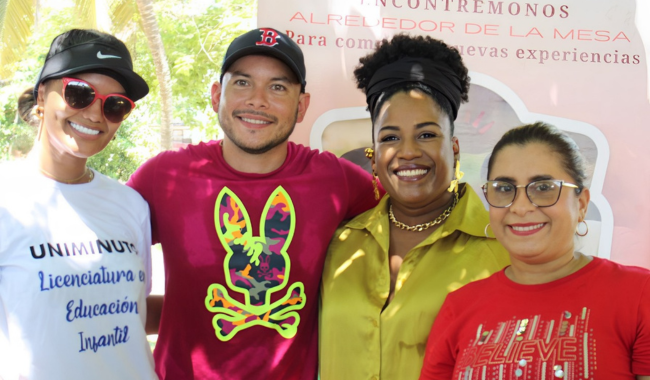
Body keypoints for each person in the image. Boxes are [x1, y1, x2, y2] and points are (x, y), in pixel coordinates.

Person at [126, 27, 378, 379]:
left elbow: (412, 228)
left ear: (302, 105)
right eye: (243, 83)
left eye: (278, 87)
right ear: (217, 96)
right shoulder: (163, 176)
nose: (258, 100)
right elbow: (105, 271)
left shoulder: (340, 182)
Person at [319, 34, 510, 380]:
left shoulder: (501, 251)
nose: (407, 152)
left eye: (426, 134)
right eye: (390, 137)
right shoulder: (340, 243)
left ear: (454, 148)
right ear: (374, 157)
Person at [419, 122, 650, 380]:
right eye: (504, 189)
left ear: (582, 204)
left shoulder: (639, 295)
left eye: (542, 188)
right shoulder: (458, 308)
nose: (520, 207)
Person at [0, 29, 156, 380]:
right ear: (43, 95)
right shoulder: (6, 201)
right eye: (79, 93)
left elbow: (132, 311)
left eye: (115, 105)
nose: (95, 114)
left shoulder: (131, 205)